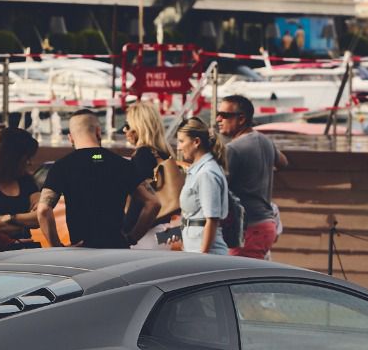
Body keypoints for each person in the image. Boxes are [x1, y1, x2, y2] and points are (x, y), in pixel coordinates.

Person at [37, 110, 158, 248]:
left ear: (70, 137)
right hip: (117, 249)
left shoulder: (62, 166)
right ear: (98, 131)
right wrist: (132, 238)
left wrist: (57, 246)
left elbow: (43, 210)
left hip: (82, 251)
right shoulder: (122, 164)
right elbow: (153, 203)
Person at [218, 94, 289, 259]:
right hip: (266, 225)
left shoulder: (233, 149)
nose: (218, 119)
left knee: (238, 280)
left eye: (225, 115)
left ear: (241, 119)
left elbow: (217, 186)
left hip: (249, 229)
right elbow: (283, 163)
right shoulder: (265, 141)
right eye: (218, 114)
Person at [122, 102, 183, 249]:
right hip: (165, 231)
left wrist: (125, 232)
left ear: (139, 127)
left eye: (128, 125)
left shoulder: (142, 155)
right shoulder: (163, 153)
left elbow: (140, 201)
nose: (124, 130)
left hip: (145, 234)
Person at [174, 117, 228, 255]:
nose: (178, 147)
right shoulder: (200, 170)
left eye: (181, 141)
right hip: (195, 249)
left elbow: (212, 219)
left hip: (205, 255)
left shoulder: (206, 173)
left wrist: (202, 258)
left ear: (196, 142)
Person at [0, 127, 40, 249]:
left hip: (25, 248)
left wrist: (9, 218)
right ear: (13, 157)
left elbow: (39, 217)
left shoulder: (26, 181)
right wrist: (25, 223)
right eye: (27, 157)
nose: (29, 163)